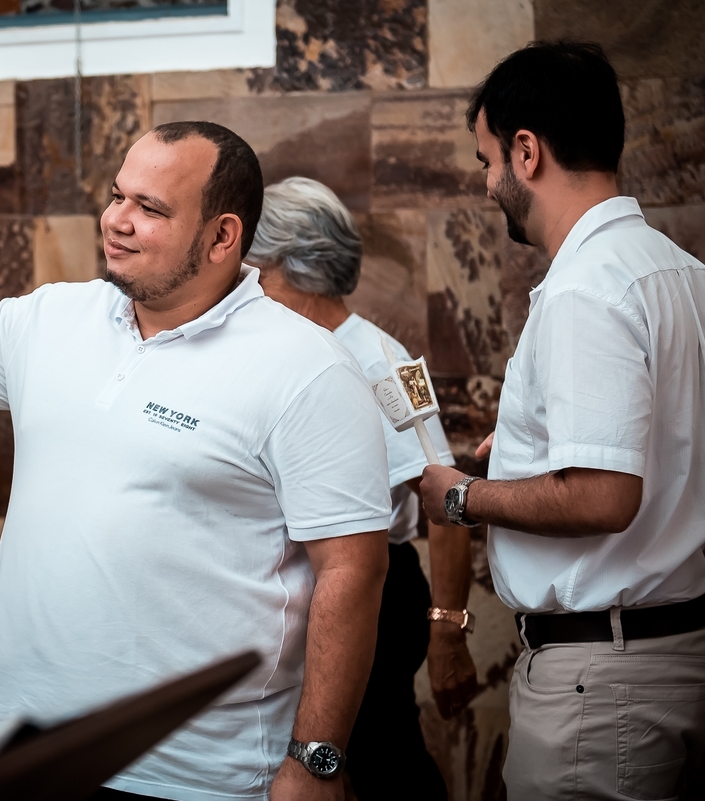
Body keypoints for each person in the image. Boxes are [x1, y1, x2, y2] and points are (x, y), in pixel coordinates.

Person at [0, 121, 393, 801]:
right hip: (31, 755)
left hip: (201, 780)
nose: (117, 221)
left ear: (224, 236)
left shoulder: (307, 368)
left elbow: (352, 566)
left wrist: (315, 759)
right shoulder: (54, 318)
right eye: (117, 196)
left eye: (151, 209)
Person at [417, 42, 705, 800]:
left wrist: (462, 495)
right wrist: (545, 452)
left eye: (486, 161)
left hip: (603, 680)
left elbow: (603, 496)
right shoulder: (678, 267)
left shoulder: (583, 288)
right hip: (669, 654)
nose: (486, 185)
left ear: (526, 153)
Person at [248, 177, 478, 801]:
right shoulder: (288, 351)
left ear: (294, 266)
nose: (248, 285)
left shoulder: (381, 360)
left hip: (378, 588)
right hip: (311, 588)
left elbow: (444, 498)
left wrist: (447, 627)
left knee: (385, 763)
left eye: (255, 268)